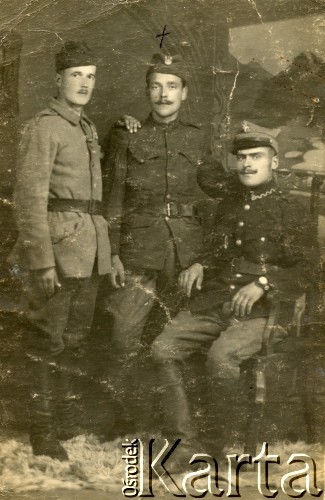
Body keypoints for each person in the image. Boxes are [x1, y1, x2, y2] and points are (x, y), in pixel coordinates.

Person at [151, 121, 318, 470]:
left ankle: (219, 444)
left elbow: (308, 270)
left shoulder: (291, 208)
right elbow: (217, 249)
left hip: (264, 311)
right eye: (241, 157)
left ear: (273, 162)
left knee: (221, 357)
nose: (247, 164)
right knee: (162, 348)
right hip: (218, 301)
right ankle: (183, 442)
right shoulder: (230, 203)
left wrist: (263, 282)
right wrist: (198, 263)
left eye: (256, 156)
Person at [102, 52, 227, 432]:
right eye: (155, 86)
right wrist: (112, 253)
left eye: (172, 86)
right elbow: (113, 200)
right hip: (138, 251)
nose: (163, 93)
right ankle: (132, 423)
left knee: (179, 340)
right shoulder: (127, 135)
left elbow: (220, 191)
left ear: (184, 93)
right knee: (124, 336)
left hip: (187, 254)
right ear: (146, 92)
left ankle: (181, 425)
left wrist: (204, 258)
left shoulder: (198, 138)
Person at [8, 41, 112, 460]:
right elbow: (28, 199)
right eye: (76, 75)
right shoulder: (44, 127)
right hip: (56, 253)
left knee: (73, 340)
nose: (84, 83)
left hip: (86, 253)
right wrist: (41, 261)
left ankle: (64, 423)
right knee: (46, 342)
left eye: (90, 76)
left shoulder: (84, 128)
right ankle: (43, 432)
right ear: (58, 79)